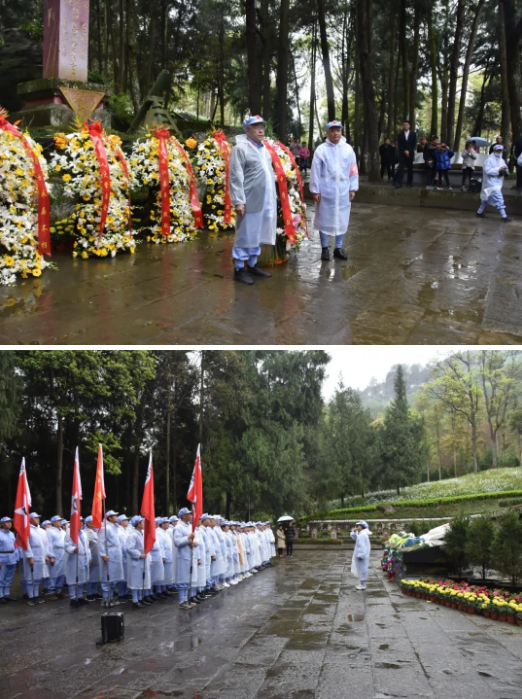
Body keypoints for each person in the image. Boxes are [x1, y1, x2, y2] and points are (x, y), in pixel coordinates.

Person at [229, 115, 276, 285]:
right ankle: (239, 268)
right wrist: (238, 201)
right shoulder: (241, 149)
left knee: (258, 233)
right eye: (255, 127)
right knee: (245, 233)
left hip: (266, 199)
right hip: (249, 200)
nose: (261, 130)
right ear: (247, 130)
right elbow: (235, 176)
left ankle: (253, 265)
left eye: (262, 126)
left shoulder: (264, 149)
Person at [309, 120, 359, 261]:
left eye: (338, 130)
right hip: (326, 190)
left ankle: (338, 247)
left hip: (343, 190)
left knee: (342, 218)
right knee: (324, 218)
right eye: (332, 130)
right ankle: (325, 248)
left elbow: (353, 169)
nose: (336, 133)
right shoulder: (321, 150)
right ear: (327, 132)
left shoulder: (348, 149)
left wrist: (353, 188)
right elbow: (315, 171)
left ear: (341, 131)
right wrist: (315, 190)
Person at [477, 144, 511, 222]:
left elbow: (505, 168)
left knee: (486, 198)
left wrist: (505, 172)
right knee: (499, 198)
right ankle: (504, 216)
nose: (499, 152)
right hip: (490, 183)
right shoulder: (489, 160)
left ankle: (479, 212)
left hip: (497, 182)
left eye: (500, 151)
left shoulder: (501, 160)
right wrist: (498, 169)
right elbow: (487, 170)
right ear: (494, 151)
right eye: (498, 150)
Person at [98, 509, 124, 607]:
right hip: (109, 553)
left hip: (116, 553)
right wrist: (103, 554)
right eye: (115, 516)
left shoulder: (115, 527)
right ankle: (106, 598)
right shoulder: (105, 528)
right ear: (110, 518)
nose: (117, 517)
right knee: (107, 577)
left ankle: (111, 597)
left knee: (114, 577)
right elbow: (101, 542)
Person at [20, 512, 49, 605]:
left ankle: (36, 595)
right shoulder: (27, 530)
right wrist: (30, 556)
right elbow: (26, 545)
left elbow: (45, 545)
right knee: (30, 577)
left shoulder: (42, 531)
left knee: (37, 577)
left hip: (41, 555)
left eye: (38, 518)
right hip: (32, 555)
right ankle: (31, 596)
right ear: (30, 520)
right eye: (35, 518)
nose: (37, 519)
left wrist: (46, 555)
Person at [126, 516, 152, 609]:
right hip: (136, 561)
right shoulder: (133, 535)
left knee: (141, 580)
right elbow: (129, 548)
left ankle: (140, 598)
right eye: (142, 522)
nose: (144, 523)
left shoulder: (142, 534)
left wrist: (149, 559)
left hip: (143, 560)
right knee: (135, 581)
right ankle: (135, 600)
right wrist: (139, 555)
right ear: (138, 524)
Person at [174, 507, 197, 609]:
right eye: (188, 514)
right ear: (183, 516)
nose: (191, 515)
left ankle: (186, 599)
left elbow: (193, 539)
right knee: (182, 579)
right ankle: (181, 600)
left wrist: (193, 543)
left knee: (187, 579)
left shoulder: (189, 526)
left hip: (189, 555)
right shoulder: (178, 527)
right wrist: (188, 538)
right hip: (182, 556)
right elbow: (177, 542)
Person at [64, 523, 91, 606]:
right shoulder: (69, 533)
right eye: (79, 521)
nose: (81, 523)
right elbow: (66, 545)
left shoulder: (83, 533)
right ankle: (72, 598)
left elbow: (87, 546)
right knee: (73, 579)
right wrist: (73, 549)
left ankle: (79, 597)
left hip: (84, 558)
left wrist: (89, 558)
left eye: (82, 521)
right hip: (74, 558)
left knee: (81, 579)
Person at [46, 515, 66, 600]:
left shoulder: (63, 531)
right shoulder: (50, 531)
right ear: (54, 522)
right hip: (55, 552)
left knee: (62, 573)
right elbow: (49, 544)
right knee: (53, 573)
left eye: (61, 520)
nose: (60, 522)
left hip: (63, 552)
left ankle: (59, 590)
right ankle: (51, 591)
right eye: (58, 521)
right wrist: (51, 556)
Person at [83, 515, 102, 600]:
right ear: (88, 523)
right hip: (91, 557)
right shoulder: (85, 532)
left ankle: (94, 592)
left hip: (98, 557)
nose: (94, 523)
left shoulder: (95, 531)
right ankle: (88, 593)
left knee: (96, 576)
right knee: (90, 576)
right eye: (92, 522)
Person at [0, 516, 17, 603]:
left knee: (9, 577)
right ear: (2, 524)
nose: (9, 523)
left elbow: (15, 546)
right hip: (3, 557)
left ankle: (6, 594)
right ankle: (0, 595)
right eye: (7, 522)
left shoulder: (11, 534)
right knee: (1, 577)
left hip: (12, 557)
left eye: (10, 522)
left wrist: (16, 557)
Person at [350, 520, 371, 590]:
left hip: (362, 555)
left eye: (359, 525)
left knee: (362, 569)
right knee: (361, 569)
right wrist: (354, 533)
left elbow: (362, 546)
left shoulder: (362, 535)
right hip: (362, 555)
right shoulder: (362, 534)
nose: (358, 526)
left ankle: (362, 584)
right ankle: (362, 583)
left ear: (361, 526)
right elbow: (356, 538)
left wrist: (361, 555)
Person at [395, 120, 417, 188]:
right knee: (401, 168)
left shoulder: (413, 134)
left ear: (409, 126)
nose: (405, 126)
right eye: (404, 125)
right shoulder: (400, 135)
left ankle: (409, 182)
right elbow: (400, 145)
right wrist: (404, 151)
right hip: (402, 153)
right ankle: (399, 183)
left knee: (410, 168)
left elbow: (414, 144)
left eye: (406, 125)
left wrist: (409, 151)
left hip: (410, 153)